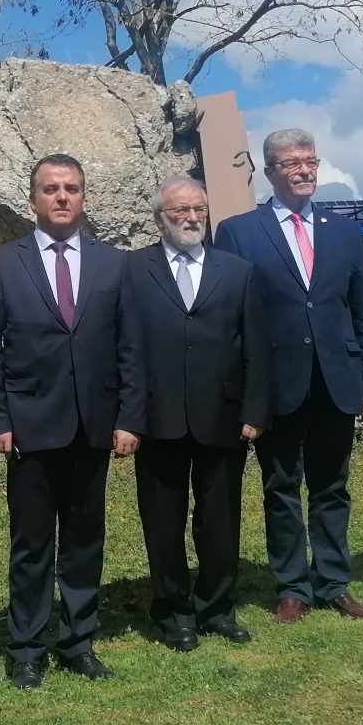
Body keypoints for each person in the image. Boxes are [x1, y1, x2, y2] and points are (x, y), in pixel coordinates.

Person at [0, 154, 133, 689]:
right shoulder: (3, 262)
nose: (62, 197)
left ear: (84, 197)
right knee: (33, 543)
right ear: (33, 199)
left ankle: (79, 642)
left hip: (94, 425)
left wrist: (129, 416)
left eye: (72, 189)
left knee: (86, 540)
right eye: (51, 189)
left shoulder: (113, 264)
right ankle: (26, 647)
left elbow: (128, 347)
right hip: (31, 425)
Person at [211, 129, 363, 622]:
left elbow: (362, 312)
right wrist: (244, 395)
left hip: (337, 379)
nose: (304, 170)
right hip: (276, 384)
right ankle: (292, 587)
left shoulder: (344, 231)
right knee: (281, 486)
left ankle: (334, 582)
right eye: (292, 163)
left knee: (332, 485)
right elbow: (233, 322)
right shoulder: (239, 232)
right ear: (271, 172)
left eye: (310, 161)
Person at [121, 177, 270, 651]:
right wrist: (128, 415)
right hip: (158, 419)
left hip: (223, 418)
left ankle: (216, 607)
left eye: (199, 210)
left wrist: (255, 409)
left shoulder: (238, 271)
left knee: (220, 520)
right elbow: (123, 346)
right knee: (163, 523)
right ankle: (172, 612)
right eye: (181, 210)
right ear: (159, 218)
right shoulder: (132, 270)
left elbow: (256, 347)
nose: (191, 218)